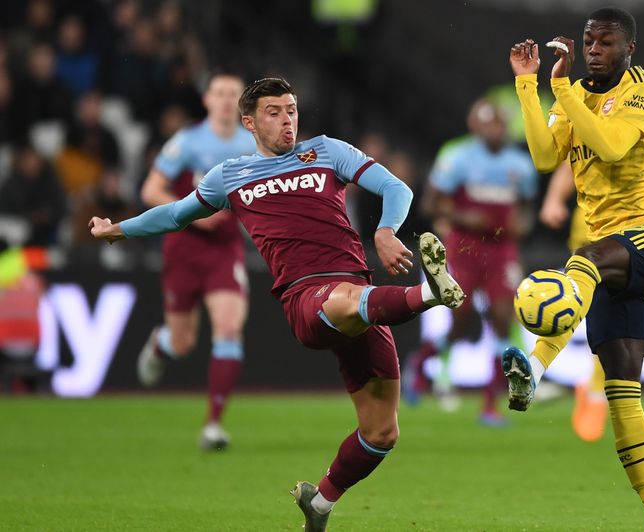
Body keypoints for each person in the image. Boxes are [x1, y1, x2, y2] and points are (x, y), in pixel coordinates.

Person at [89, 77, 465, 532]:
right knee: (349, 299)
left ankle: (321, 503)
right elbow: (174, 214)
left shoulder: (326, 151)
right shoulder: (230, 176)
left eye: (291, 110)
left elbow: (397, 189)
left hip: (363, 299)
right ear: (249, 121)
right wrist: (119, 229)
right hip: (307, 298)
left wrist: (385, 231)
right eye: (274, 112)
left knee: (382, 433)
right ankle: (431, 293)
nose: (287, 120)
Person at [504, 8, 644, 531]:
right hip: (613, 251)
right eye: (589, 41)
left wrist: (562, 90)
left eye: (605, 43)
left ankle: (536, 370)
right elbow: (545, 158)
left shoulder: (641, 92)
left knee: (582, 260)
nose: (594, 50)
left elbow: (610, 145)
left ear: (628, 49)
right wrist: (528, 85)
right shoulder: (574, 93)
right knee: (622, 388)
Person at [540, 125, 644, 443]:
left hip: (632, 236)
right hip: (588, 233)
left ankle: (594, 388)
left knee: (606, 312)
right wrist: (554, 199)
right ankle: (589, 386)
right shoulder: (588, 125)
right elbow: (571, 166)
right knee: (587, 308)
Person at [135, 71, 257, 451]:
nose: (224, 100)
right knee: (183, 341)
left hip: (225, 250)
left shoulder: (252, 146)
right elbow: (150, 190)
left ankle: (213, 424)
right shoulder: (188, 142)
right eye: (218, 93)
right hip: (183, 248)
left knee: (228, 327)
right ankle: (162, 343)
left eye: (232, 94)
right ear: (206, 100)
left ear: (241, 104)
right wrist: (193, 211)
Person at [405, 99, 537, 426]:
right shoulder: (458, 157)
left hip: (502, 247)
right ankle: (421, 363)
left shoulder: (520, 164)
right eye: (489, 124)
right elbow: (429, 204)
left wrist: (523, 223)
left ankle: (490, 405)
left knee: (504, 319)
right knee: (461, 319)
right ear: (476, 127)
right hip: (464, 246)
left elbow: (526, 208)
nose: (495, 130)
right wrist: (465, 216)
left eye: (500, 125)